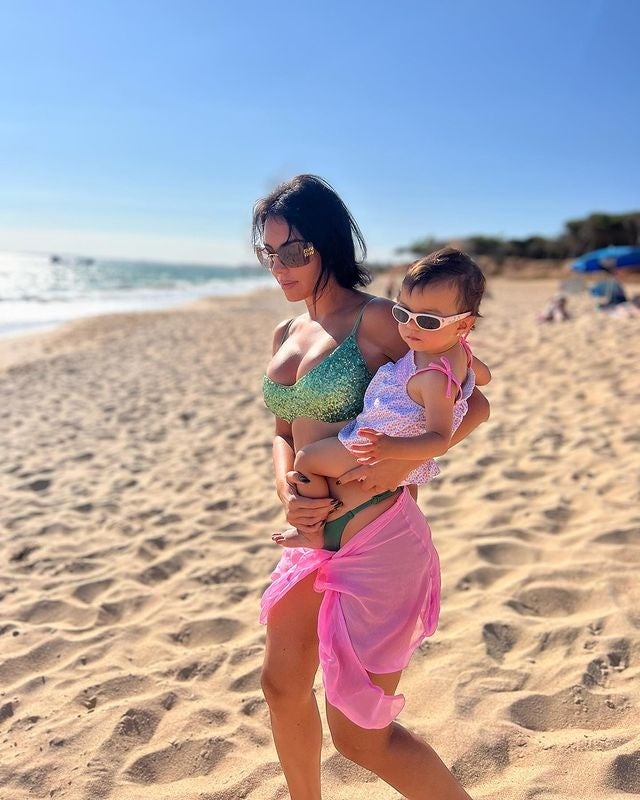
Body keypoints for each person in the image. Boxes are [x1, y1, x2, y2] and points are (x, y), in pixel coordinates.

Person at [255, 174, 489, 800]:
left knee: (361, 738)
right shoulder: (285, 333)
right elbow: (283, 433)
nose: (279, 266)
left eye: (293, 250)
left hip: (377, 537)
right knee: (280, 686)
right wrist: (287, 494)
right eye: (268, 252)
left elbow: (473, 400)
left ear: (328, 243)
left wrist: (400, 464)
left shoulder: (384, 319)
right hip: (310, 540)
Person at [272, 247, 491, 550]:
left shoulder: (433, 374)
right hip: (368, 450)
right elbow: (484, 376)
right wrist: (285, 490)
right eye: (402, 313)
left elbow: (450, 430)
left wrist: (395, 456)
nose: (410, 327)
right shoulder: (448, 351)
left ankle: (311, 533)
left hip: (375, 481)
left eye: (427, 321)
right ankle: (312, 528)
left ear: (463, 325)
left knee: (307, 459)